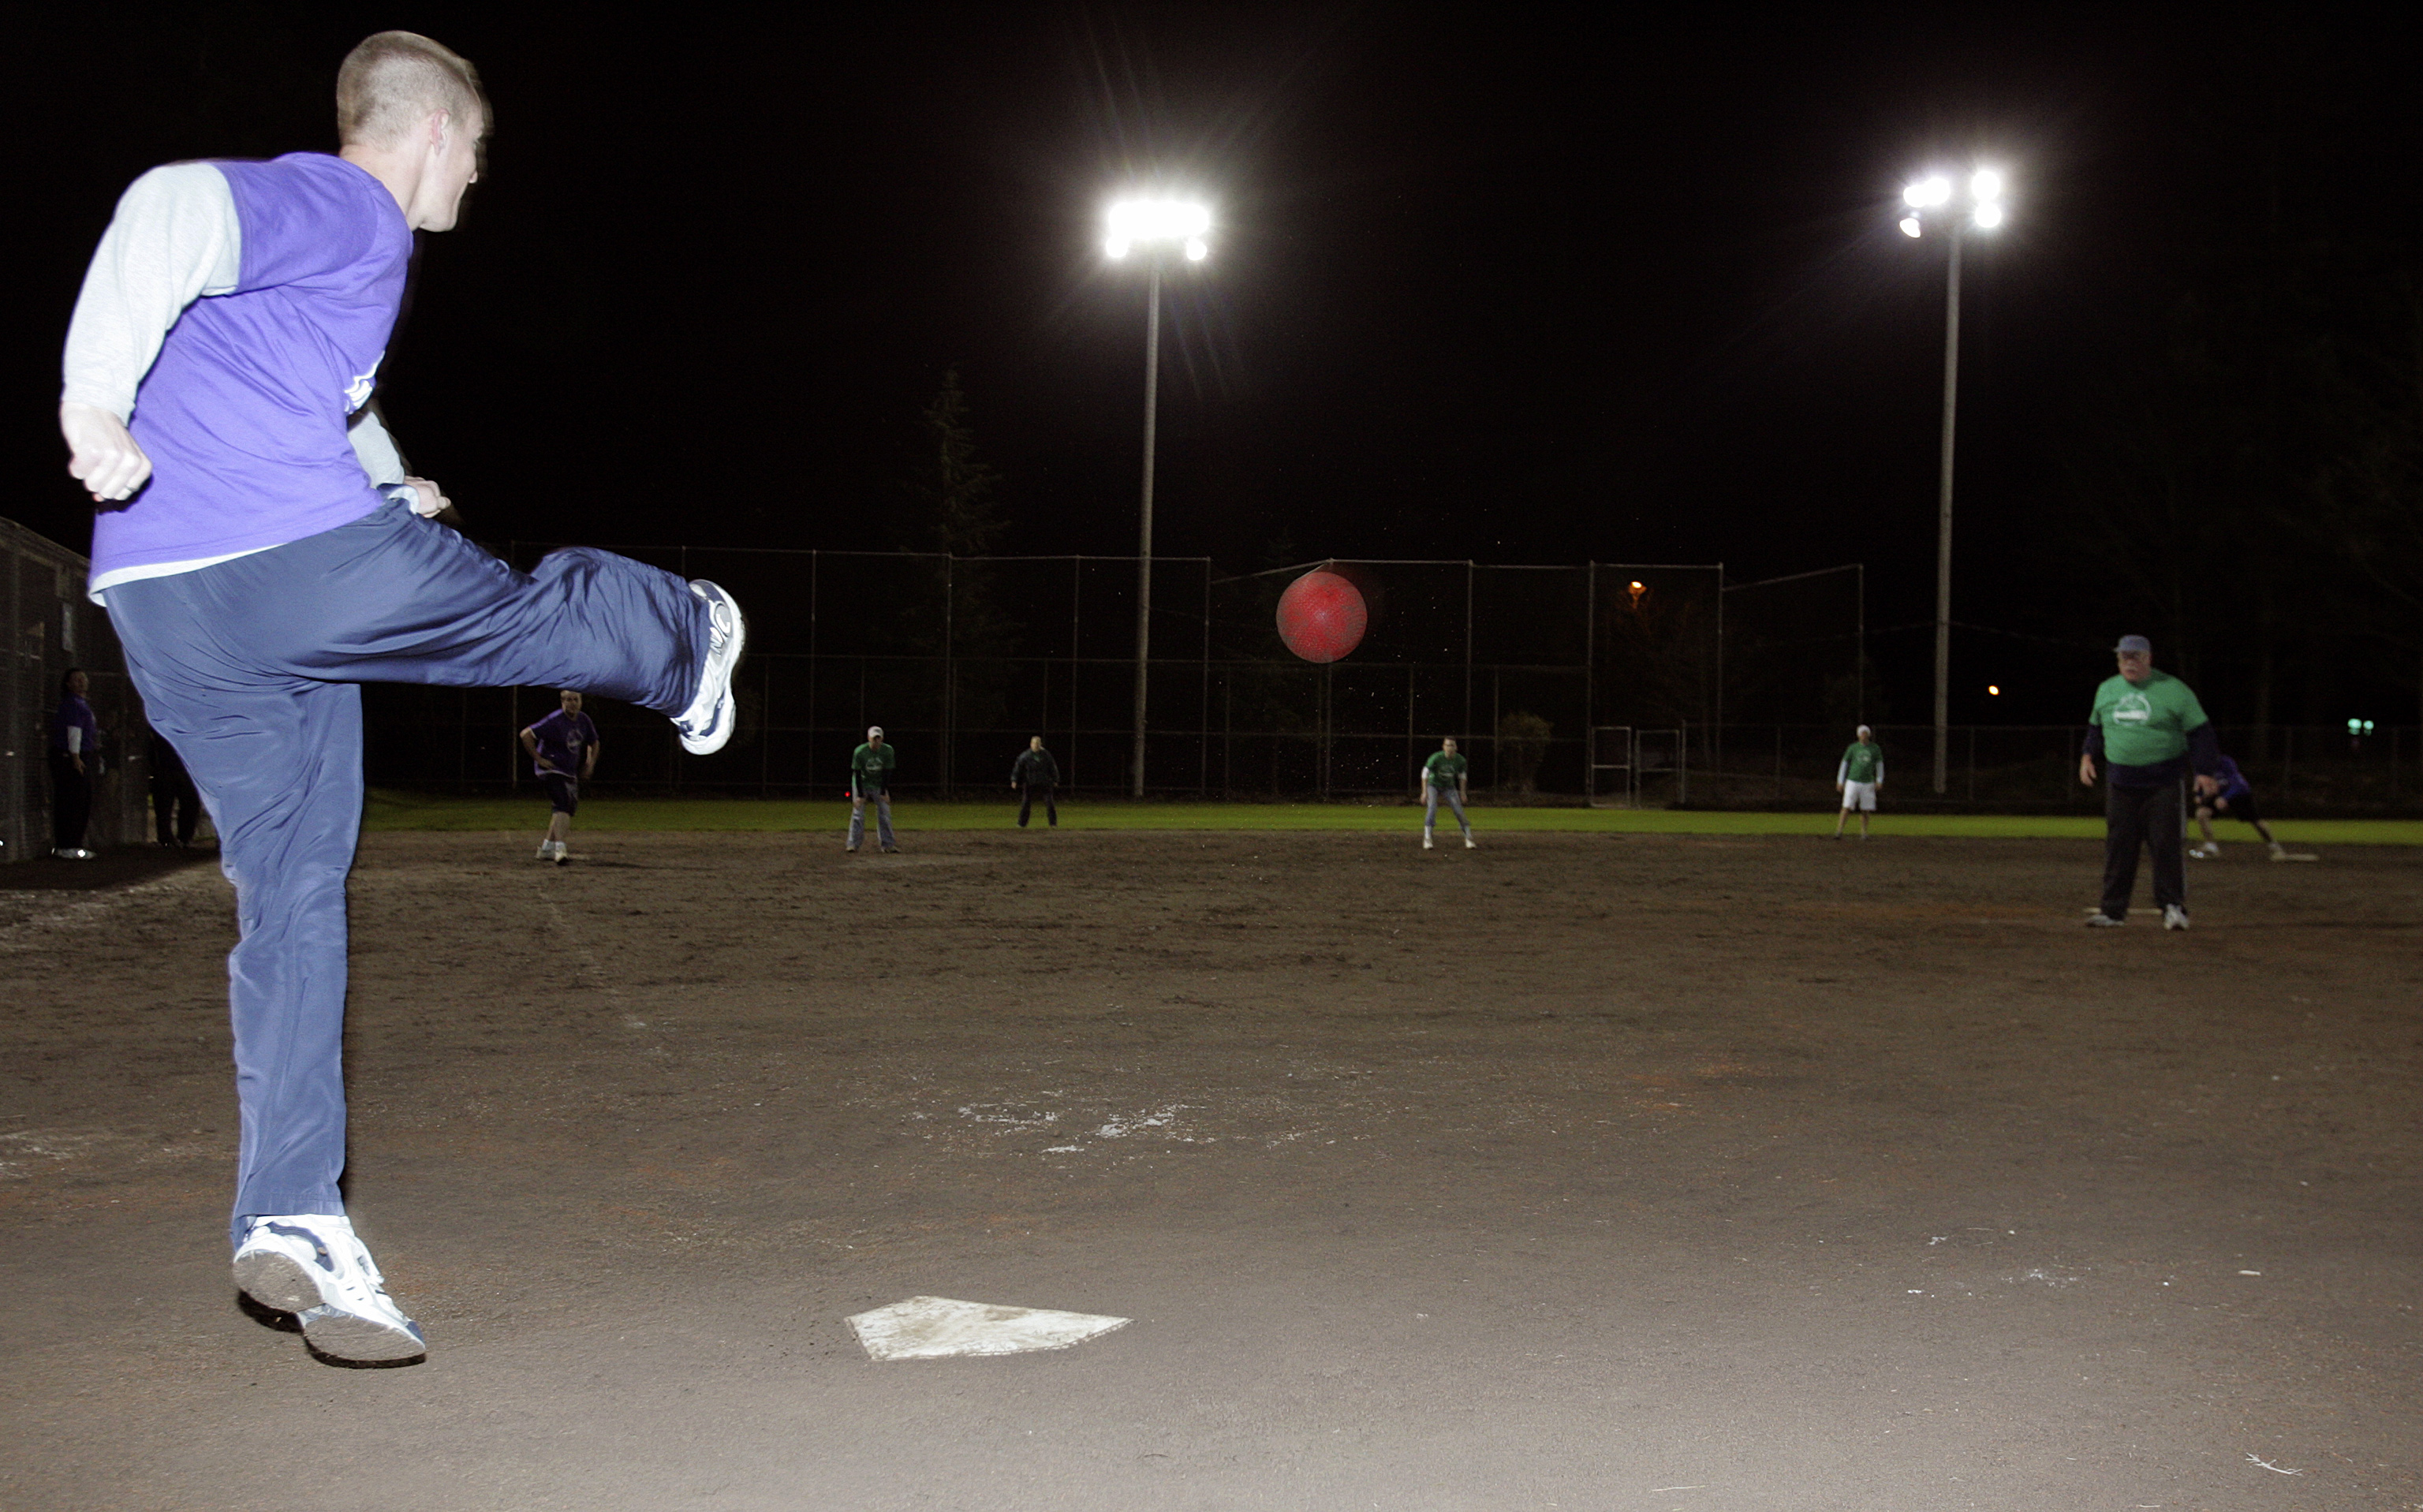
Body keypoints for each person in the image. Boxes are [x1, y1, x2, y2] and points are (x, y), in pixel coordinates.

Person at [57, 32, 745, 1362]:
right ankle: (691, 629)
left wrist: (388, 481)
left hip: (164, 604)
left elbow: (307, 387)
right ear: (430, 129)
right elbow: (167, 204)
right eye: (475, 153)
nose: (474, 180)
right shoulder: (351, 205)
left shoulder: (326, 285)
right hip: (283, 562)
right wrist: (93, 401)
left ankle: (296, 1210)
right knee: (516, 610)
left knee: (293, 892)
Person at [2078, 635, 2218, 931]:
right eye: (2124, 657)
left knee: (2165, 845)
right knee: (2119, 847)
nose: (2129, 662)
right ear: (2118, 660)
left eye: (2136, 656)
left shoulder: (2173, 690)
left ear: (2148, 659)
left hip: (2163, 781)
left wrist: (2204, 771)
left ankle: (2173, 907)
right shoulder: (2107, 689)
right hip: (2121, 783)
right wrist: (2088, 756)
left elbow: (2200, 732)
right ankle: (2113, 911)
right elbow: (2096, 727)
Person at [521, 689, 600, 864]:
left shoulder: (583, 719)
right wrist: (539, 758)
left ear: (581, 701)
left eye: (576, 699)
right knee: (563, 803)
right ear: (562, 702)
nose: (573, 703)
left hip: (568, 771)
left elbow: (594, 742)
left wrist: (590, 763)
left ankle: (547, 848)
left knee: (564, 809)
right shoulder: (554, 720)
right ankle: (560, 850)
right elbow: (526, 734)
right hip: (551, 770)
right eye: (568, 700)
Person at [2190, 752, 2287, 861]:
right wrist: (2199, 795)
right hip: (2218, 794)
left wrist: (2225, 798)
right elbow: (2199, 783)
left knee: (2256, 821)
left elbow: (2237, 784)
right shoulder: (2201, 765)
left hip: (2238, 793)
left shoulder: (2225, 762)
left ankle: (2275, 848)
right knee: (2201, 813)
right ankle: (2211, 848)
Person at [49, 668, 100, 860]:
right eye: (76, 680)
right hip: (69, 757)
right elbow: (74, 731)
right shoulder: (73, 704)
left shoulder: (80, 703)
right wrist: (75, 757)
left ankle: (72, 844)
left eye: (83, 679)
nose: (81, 682)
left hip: (78, 755)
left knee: (80, 801)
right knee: (72, 801)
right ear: (68, 684)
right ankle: (67, 845)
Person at [148, 722, 202, 848]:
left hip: (184, 769)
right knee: (165, 807)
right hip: (166, 768)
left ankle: (183, 838)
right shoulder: (161, 724)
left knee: (189, 804)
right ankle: (167, 839)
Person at [1418, 735, 1474, 851]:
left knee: (1458, 810)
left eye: (1452, 745)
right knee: (1432, 808)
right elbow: (1425, 774)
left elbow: (1462, 777)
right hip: (1433, 785)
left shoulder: (1460, 760)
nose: (1450, 748)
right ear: (1443, 747)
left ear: (1456, 747)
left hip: (1449, 787)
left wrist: (1463, 793)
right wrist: (1424, 792)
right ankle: (1428, 838)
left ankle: (1469, 837)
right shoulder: (1436, 758)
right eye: (1448, 745)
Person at [849, 726, 898, 853]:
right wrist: (859, 795)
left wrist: (883, 792)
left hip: (879, 784)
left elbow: (887, 772)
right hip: (862, 784)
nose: (876, 742)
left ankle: (888, 845)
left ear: (882, 739)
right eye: (873, 739)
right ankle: (853, 844)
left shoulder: (887, 751)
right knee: (858, 814)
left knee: (884, 814)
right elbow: (857, 773)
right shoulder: (860, 751)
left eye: (878, 739)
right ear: (868, 738)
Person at [1833, 724, 1884, 839]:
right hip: (1853, 781)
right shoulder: (1853, 748)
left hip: (1868, 782)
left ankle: (1864, 833)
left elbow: (1879, 765)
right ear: (1858, 735)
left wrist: (1879, 780)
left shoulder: (1875, 748)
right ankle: (1839, 831)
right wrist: (1840, 781)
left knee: (1866, 809)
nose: (1863, 735)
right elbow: (1844, 764)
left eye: (1865, 733)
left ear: (1869, 735)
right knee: (1846, 806)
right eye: (1861, 733)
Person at [1010, 736, 1058, 828]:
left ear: (1040, 745)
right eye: (1034, 744)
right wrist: (1014, 780)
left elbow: (1052, 767)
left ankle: (1053, 824)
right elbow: (1018, 768)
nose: (1036, 746)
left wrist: (1055, 779)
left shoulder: (1046, 755)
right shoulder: (1026, 755)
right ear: (1031, 744)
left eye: (1037, 744)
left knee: (1050, 803)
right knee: (1026, 803)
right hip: (1030, 782)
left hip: (1044, 782)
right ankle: (1021, 824)